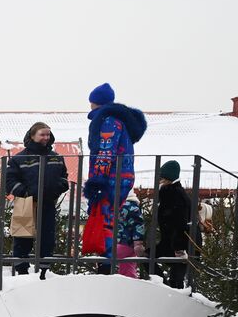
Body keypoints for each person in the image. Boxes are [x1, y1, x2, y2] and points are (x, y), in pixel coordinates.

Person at [81, 83, 148, 265]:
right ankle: (106, 260)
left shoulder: (108, 121)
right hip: (122, 176)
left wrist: (98, 181)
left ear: (96, 103)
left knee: (106, 219)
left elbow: (105, 151)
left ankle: (106, 261)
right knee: (110, 218)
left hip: (111, 178)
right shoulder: (120, 121)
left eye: (91, 102)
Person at [5, 122, 70, 276]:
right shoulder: (20, 158)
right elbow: (9, 181)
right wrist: (26, 192)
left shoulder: (56, 158)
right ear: (33, 135)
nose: (46, 137)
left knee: (47, 237)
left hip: (48, 202)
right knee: (22, 236)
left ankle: (44, 271)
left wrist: (57, 188)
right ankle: (21, 271)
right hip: (25, 202)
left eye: (48, 134)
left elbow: (64, 178)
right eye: (42, 134)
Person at [155, 160, 191, 288]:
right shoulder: (169, 192)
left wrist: (179, 248)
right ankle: (164, 286)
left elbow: (180, 222)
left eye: (162, 179)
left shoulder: (175, 194)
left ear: (168, 179)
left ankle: (165, 287)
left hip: (180, 243)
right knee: (148, 256)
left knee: (177, 278)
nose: (159, 181)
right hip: (172, 241)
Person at [114, 190, 147, 279]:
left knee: (123, 265)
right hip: (127, 243)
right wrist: (138, 243)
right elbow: (139, 226)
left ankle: (123, 284)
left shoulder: (118, 205)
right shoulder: (132, 207)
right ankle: (129, 284)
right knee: (128, 265)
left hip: (118, 242)